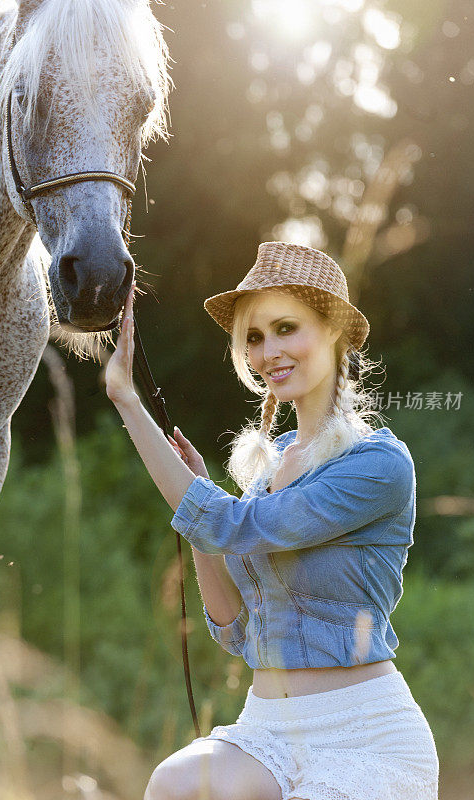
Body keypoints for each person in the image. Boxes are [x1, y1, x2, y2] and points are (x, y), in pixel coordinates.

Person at [105, 242, 440, 800]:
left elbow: (234, 526)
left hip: (363, 732)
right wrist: (198, 507)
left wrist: (127, 399)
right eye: (255, 337)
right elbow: (235, 628)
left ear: (333, 329)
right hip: (267, 729)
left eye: (287, 328)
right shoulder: (268, 472)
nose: (268, 352)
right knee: (174, 784)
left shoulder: (378, 465)